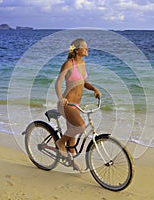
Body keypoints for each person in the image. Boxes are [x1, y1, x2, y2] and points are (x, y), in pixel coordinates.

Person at [55, 38, 101, 171]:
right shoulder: (69, 64)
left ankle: (72, 160)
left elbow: (84, 82)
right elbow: (58, 83)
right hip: (66, 103)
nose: (87, 49)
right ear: (76, 50)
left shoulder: (83, 64)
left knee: (73, 132)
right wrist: (60, 98)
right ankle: (60, 142)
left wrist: (94, 89)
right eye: (84, 47)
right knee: (80, 126)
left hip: (76, 105)